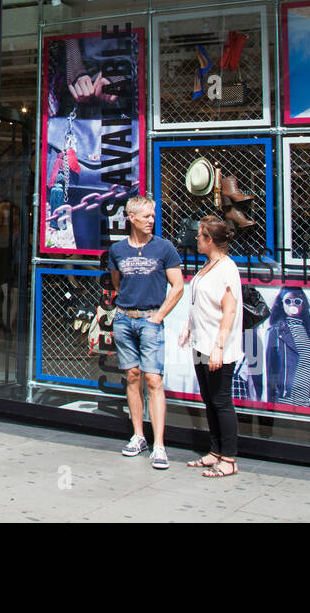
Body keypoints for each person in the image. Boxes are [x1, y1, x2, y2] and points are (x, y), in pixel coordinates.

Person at [106, 196, 184, 469]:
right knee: (132, 375)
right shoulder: (117, 250)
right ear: (131, 218)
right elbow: (118, 283)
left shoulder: (164, 248)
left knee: (154, 380)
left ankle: (159, 443)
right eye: (146, 216)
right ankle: (138, 435)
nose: (152, 220)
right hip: (125, 318)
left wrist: (159, 316)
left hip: (151, 318)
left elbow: (178, 286)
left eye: (153, 215)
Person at [177, 216, 243, 478]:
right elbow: (201, 303)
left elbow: (229, 311)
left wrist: (219, 347)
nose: (196, 238)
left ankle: (229, 458)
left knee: (221, 400)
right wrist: (189, 326)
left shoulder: (227, 268)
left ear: (211, 240)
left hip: (218, 347)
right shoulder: (208, 265)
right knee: (209, 399)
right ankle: (215, 451)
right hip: (201, 343)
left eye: (201, 235)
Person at [265, 285, 310, 408]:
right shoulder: (276, 331)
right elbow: (268, 370)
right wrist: (269, 406)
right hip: (283, 401)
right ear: (282, 304)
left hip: (305, 402)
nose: (292, 305)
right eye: (288, 301)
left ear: (303, 304)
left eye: (297, 301)